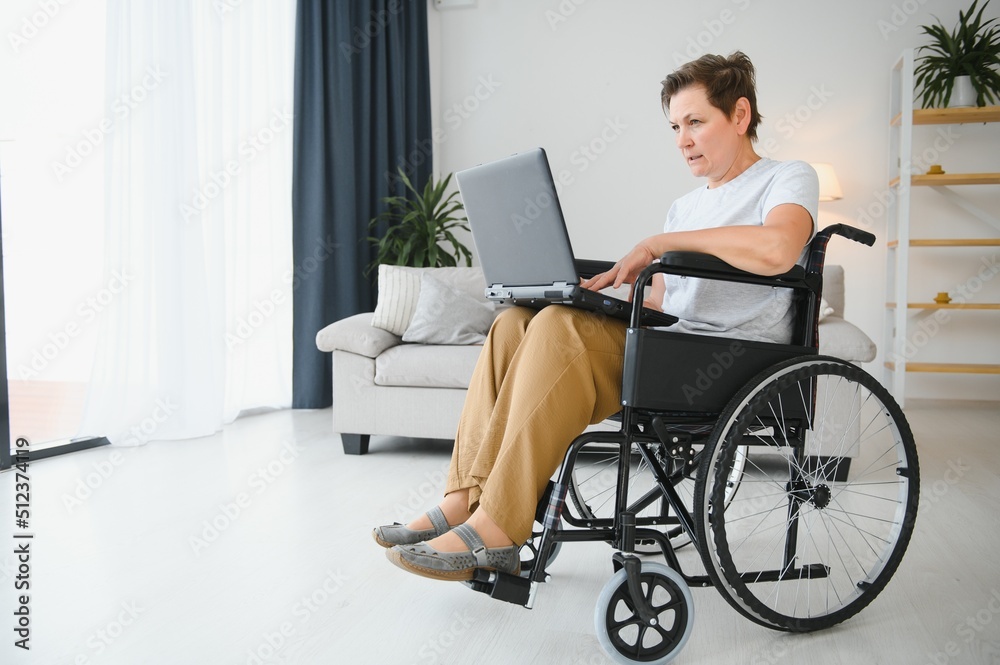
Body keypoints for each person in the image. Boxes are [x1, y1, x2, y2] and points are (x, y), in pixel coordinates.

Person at [373, 51, 819, 581]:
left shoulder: (787, 177)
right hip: (672, 347)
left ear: (740, 115)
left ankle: (499, 528)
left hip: (733, 362)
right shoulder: (687, 206)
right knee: (517, 322)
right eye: (675, 126)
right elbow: (673, 301)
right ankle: (462, 499)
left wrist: (657, 244)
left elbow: (778, 250)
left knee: (561, 331)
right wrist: (604, 295)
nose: (683, 139)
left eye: (696, 122)